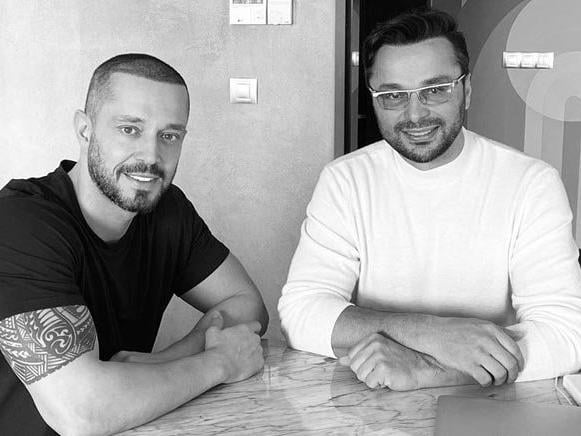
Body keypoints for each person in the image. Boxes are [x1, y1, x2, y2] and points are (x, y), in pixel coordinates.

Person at [278, 8, 581, 391]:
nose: (415, 114)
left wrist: (431, 369)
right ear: (373, 100)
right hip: (374, 399)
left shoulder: (531, 183)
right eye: (393, 96)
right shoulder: (345, 181)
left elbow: (567, 334)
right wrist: (430, 333)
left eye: (435, 90)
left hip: (488, 404)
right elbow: (300, 313)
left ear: (466, 90)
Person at [0, 53, 269, 435]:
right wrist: (220, 363)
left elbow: (247, 304)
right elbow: (81, 412)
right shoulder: (20, 223)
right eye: (130, 129)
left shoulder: (167, 211)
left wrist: (165, 360)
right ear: (84, 130)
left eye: (169, 136)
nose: (151, 156)